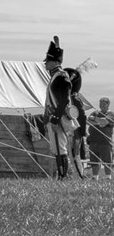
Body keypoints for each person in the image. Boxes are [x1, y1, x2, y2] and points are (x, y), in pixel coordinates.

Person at [43, 36, 73, 179]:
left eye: (47, 61)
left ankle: (63, 175)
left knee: (60, 147)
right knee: (56, 148)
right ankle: (61, 175)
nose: (45, 64)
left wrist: (55, 119)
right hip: (53, 117)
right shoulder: (55, 76)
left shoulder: (61, 76)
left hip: (59, 118)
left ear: (55, 61)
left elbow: (64, 100)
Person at [67, 68, 90, 179]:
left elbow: (81, 116)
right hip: (71, 131)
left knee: (75, 155)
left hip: (75, 132)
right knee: (71, 155)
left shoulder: (75, 98)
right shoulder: (69, 98)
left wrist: (81, 132)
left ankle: (79, 177)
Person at [88, 97, 113, 180]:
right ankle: (95, 178)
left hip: (105, 142)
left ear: (108, 104)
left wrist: (95, 119)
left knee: (107, 161)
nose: (101, 105)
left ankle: (108, 178)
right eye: (100, 103)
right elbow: (88, 121)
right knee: (94, 161)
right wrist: (100, 122)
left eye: (104, 103)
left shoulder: (111, 114)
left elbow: (105, 121)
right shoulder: (95, 112)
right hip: (93, 141)